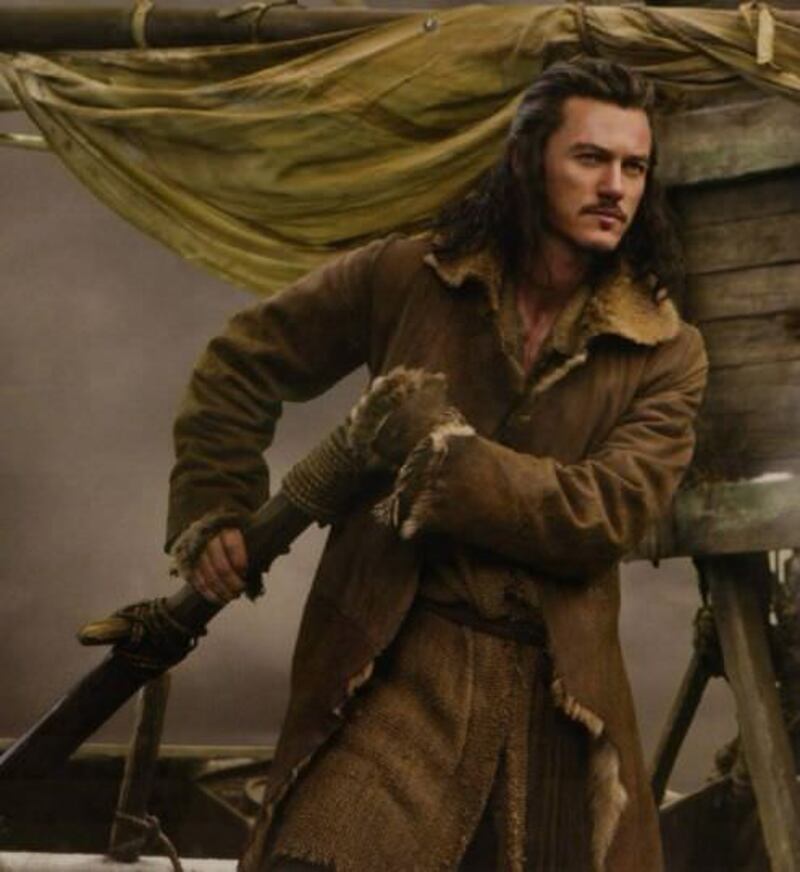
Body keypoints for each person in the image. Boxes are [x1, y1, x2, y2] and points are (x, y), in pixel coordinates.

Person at [166, 59, 708, 872]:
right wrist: (217, 504)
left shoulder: (665, 350)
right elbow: (241, 364)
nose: (615, 188)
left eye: (634, 167)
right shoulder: (409, 276)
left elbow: (606, 513)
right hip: (396, 663)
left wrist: (445, 459)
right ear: (527, 161)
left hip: (561, 696)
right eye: (591, 158)